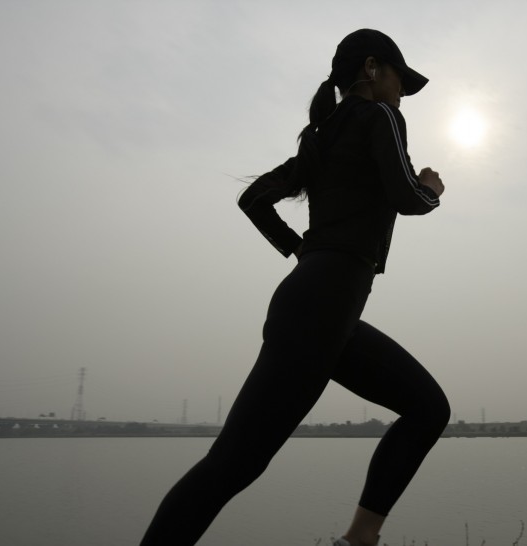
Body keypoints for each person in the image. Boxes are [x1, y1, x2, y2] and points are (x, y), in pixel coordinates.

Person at [140, 29, 449, 546]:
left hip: (322, 307)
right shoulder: (380, 117)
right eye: (400, 78)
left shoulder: (318, 136)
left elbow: (254, 199)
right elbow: (408, 197)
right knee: (234, 464)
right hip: (323, 308)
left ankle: (360, 538)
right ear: (373, 68)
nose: (402, 93)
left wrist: (301, 248)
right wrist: (432, 189)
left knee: (428, 408)